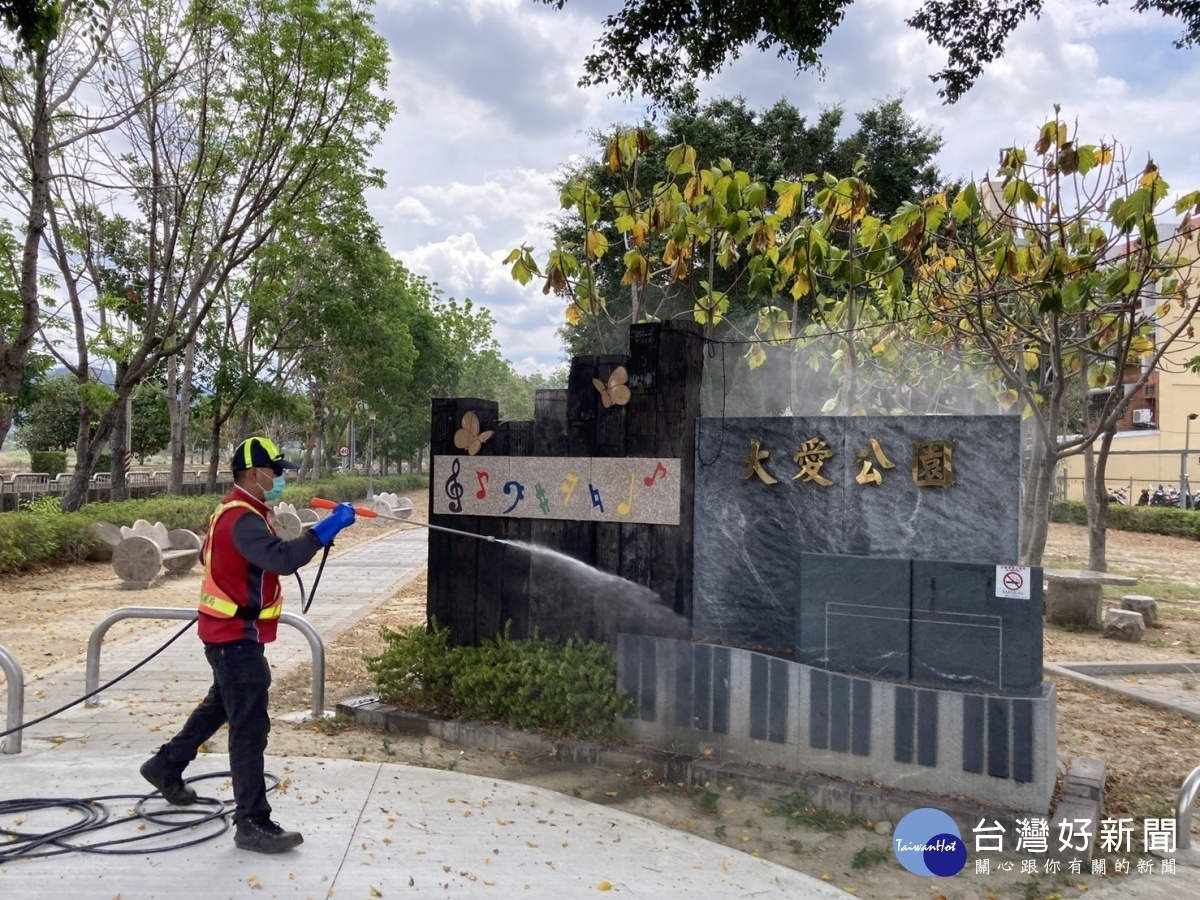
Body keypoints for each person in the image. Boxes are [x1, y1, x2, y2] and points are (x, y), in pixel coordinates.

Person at [139, 436, 356, 853]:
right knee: (249, 727)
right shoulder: (241, 517)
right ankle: (252, 822)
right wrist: (328, 527)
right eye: (275, 471)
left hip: (229, 636)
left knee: (221, 704)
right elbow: (282, 559)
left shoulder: (240, 511)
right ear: (254, 473)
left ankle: (166, 765)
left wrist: (321, 534)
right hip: (233, 640)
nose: (279, 478)